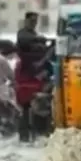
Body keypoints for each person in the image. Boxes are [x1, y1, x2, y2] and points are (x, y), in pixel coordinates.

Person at [16, 12, 53, 141]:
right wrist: (39, 40)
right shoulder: (23, 34)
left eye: (35, 21)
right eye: (31, 20)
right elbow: (23, 41)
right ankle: (24, 135)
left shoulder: (35, 35)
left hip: (38, 75)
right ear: (26, 20)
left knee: (43, 104)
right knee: (25, 107)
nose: (33, 23)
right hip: (26, 75)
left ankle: (40, 132)